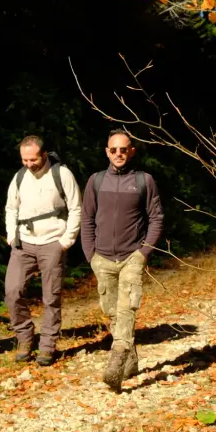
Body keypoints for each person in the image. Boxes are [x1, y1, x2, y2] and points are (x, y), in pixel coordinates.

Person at [81, 129, 164, 392]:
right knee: (112, 311)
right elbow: (87, 219)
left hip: (132, 257)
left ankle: (116, 361)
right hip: (102, 258)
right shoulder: (96, 181)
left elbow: (156, 218)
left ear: (132, 151)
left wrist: (143, 253)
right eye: (114, 149)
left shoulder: (144, 181)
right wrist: (91, 255)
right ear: (107, 152)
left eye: (123, 149)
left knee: (127, 307)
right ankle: (132, 358)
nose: (119, 154)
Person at [3, 135, 82, 365]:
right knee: (12, 291)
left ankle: (47, 346)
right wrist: (11, 236)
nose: (29, 164)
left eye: (33, 160)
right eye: (24, 160)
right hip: (23, 243)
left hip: (53, 242)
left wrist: (65, 241)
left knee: (51, 297)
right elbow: (11, 208)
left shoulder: (62, 174)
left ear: (44, 155)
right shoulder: (19, 177)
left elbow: (76, 208)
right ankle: (24, 338)